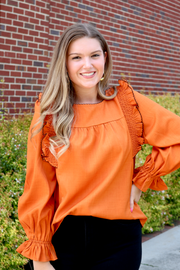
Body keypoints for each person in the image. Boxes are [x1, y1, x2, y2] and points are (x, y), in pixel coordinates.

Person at [16, 23, 180, 270]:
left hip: (119, 240)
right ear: (65, 63)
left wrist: (141, 180)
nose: (87, 65)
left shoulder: (127, 103)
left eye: (94, 55)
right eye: (77, 57)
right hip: (64, 238)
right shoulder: (49, 112)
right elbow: (38, 183)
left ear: (105, 58)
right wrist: (39, 253)